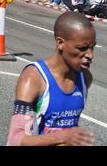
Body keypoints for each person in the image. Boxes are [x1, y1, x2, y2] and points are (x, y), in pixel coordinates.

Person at [7, 12, 96, 146]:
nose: (90, 55)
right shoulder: (34, 78)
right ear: (60, 43)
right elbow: (15, 138)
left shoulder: (85, 77)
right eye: (82, 48)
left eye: (92, 47)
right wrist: (63, 137)